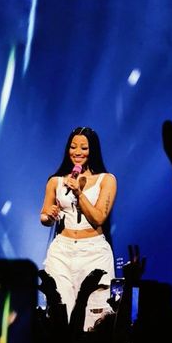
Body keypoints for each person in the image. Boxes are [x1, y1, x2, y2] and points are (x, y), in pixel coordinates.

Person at [40, 126, 117, 331]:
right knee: (60, 314)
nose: (77, 152)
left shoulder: (106, 180)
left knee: (92, 319)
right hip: (62, 251)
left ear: (93, 150)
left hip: (93, 252)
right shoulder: (55, 181)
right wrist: (50, 216)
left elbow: (99, 217)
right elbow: (44, 216)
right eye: (73, 147)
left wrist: (79, 193)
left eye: (84, 147)